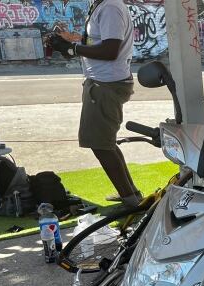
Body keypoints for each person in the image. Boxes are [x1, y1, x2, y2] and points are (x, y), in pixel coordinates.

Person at [49, 0, 142, 208]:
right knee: (105, 143)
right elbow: (97, 42)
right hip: (102, 83)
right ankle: (131, 194)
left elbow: (110, 50)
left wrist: (74, 49)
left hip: (106, 85)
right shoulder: (101, 5)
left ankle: (131, 201)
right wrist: (71, 42)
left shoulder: (110, 7)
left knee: (100, 144)